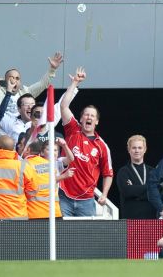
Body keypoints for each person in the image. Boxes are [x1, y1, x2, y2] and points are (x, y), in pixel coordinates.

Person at [58, 68, 113, 217]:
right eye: (86, 114)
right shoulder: (72, 129)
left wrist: (104, 194)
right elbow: (63, 106)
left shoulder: (102, 146)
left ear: (96, 121)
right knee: (62, 236)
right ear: (81, 118)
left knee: (84, 238)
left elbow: (108, 173)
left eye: (92, 116)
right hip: (63, 195)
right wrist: (75, 83)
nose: (89, 117)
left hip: (87, 200)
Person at [116, 135, 155, 219]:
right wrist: (148, 189)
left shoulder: (153, 171)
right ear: (129, 150)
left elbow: (157, 192)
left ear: (145, 149)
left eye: (140, 148)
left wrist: (135, 190)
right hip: (130, 219)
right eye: (134, 148)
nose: (137, 151)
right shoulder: (123, 171)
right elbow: (127, 191)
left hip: (151, 219)